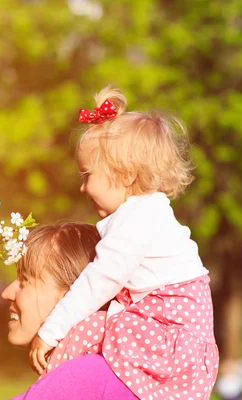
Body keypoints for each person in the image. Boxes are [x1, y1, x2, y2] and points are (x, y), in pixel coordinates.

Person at [30, 86, 219, 399]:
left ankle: (48, 390)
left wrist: (50, 332)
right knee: (88, 331)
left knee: (83, 331)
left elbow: (101, 279)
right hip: (167, 330)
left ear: (127, 174)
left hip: (169, 334)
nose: (81, 188)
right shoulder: (144, 214)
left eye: (87, 175)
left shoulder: (139, 216)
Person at [0, 223, 138, 399]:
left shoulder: (90, 375)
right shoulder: (109, 371)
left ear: (76, 293)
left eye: (26, 280)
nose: (7, 292)